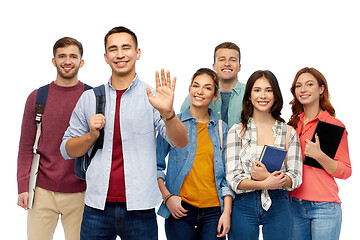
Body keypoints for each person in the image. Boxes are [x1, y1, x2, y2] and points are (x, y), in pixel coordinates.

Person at [60, 26, 188, 240]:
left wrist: (169, 113)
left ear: (137, 53)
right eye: (113, 49)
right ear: (106, 57)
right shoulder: (89, 98)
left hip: (140, 209)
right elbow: (67, 150)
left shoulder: (153, 97)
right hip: (96, 209)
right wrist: (91, 135)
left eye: (126, 48)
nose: (120, 54)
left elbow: (181, 142)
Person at [17, 37, 87, 240]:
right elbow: (25, 146)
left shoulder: (92, 96)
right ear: (54, 61)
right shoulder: (38, 97)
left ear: (81, 62)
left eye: (73, 56)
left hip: (81, 191)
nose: (67, 61)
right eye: (62, 56)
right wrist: (23, 186)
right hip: (41, 191)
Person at [157, 68, 234, 240]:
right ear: (190, 89)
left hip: (214, 212)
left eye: (207, 88)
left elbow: (229, 177)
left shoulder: (222, 129)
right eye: (196, 86)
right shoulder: (171, 123)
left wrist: (226, 212)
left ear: (215, 95)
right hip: (180, 209)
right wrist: (167, 197)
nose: (200, 91)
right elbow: (156, 165)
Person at [225, 70, 303, 240]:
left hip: (279, 204)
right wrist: (265, 183)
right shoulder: (237, 131)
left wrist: (268, 177)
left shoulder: (288, 132)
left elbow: (296, 177)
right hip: (243, 204)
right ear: (249, 96)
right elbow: (233, 178)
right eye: (257, 90)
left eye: (268, 90)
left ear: (275, 95)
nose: (263, 95)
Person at [288, 67, 352, 240]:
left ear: (321, 89)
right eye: (298, 85)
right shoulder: (292, 124)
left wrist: (319, 155)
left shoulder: (333, 125)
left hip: (324, 207)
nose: (303, 89)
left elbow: (346, 171)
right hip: (293, 205)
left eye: (309, 84)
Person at [180, 42, 245, 127]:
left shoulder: (249, 93)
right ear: (214, 66)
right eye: (222, 59)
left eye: (233, 60)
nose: (227, 64)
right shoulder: (198, 94)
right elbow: (181, 122)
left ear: (239, 67)